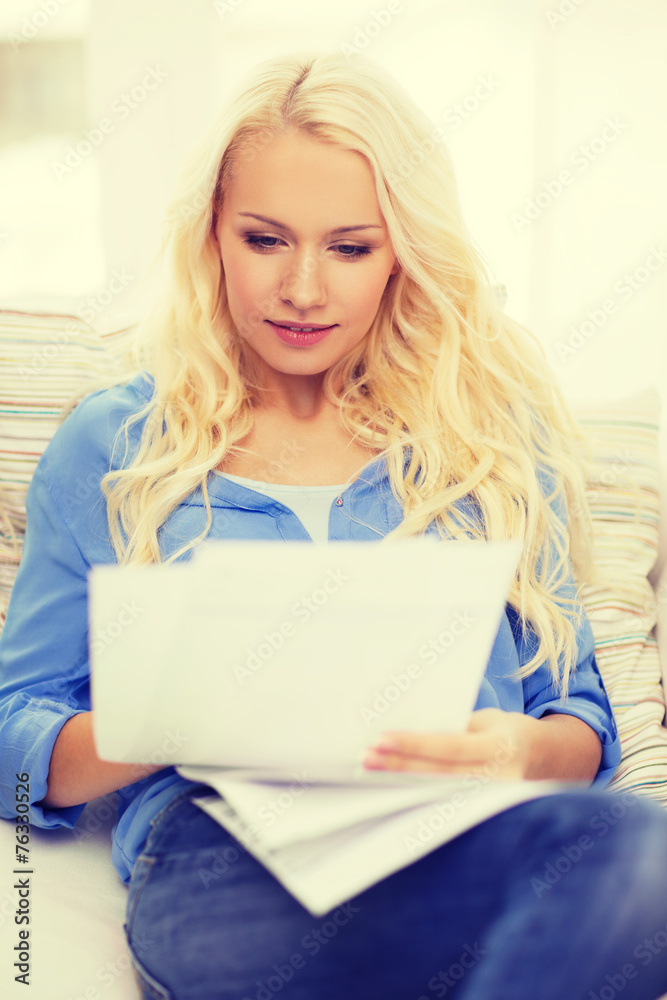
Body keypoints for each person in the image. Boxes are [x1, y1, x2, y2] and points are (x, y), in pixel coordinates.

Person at [1, 50, 667, 1000]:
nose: (304, 290)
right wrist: (176, 712)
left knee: (644, 853)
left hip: (463, 830)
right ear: (212, 236)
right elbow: (14, 741)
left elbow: (577, 713)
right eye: (265, 240)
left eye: (350, 248)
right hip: (228, 853)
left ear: (402, 253)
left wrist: (520, 752)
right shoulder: (114, 443)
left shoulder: (488, 435)